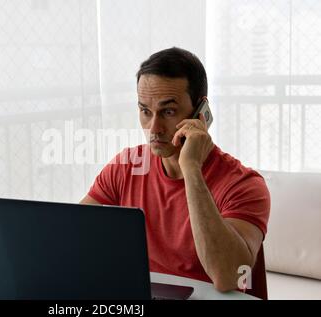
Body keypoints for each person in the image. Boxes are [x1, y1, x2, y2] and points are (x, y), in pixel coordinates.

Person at [80, 47, 270, 293]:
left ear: (201, 113)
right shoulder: (126, 166)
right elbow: (72, 236)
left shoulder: (244, 184)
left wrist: (191, 168)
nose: (154, 128)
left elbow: (229, 277)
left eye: (168, 111)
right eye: (145, 111)